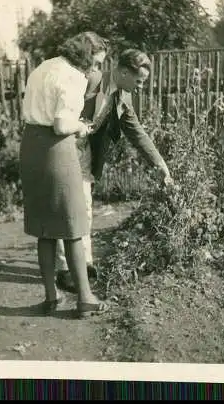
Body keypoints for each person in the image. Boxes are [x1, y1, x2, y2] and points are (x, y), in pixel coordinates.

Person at [55, 49, 174, 292]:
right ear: (122, 72)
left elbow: (137, 133)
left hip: (85, 153)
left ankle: (84, 264)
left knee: (84, 208)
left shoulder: (122, 97)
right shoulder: (91, 79)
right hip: (63, 146)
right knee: (67, 208)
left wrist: (161, 165)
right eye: (138, 81)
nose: (141, 86)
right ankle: (64, 269)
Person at [19, 31, 110, 318]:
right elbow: (60, 124)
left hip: (31, 146)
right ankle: (85, 298)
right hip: (55, 148)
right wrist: (81, 127)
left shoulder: (43, 67)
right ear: (84, 56)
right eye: (95, 63)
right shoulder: (73, 77)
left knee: (45, 229)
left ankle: (50, 298)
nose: (94, 70)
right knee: (73, 226)